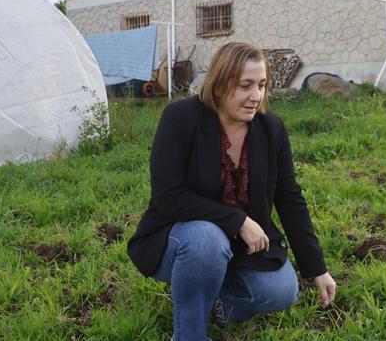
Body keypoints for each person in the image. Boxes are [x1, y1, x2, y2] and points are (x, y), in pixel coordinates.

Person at [127, 42, 336, 341]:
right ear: (220, 84)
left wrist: (317, 267)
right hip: (181, 239)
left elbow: (290, 197)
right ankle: (190, 334)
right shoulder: (181, 119)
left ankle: (212, 300)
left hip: (242, 246)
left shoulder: (271, 129)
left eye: (262, 85)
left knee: (282, 292)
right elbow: (168, 196)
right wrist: (236, 220)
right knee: (206, 240)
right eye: (245, 86)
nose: (256, 96)